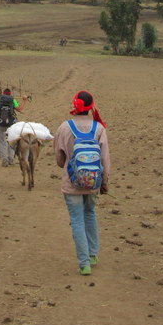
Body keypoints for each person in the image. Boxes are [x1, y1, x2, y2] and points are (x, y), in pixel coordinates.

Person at [54, 90, 111, 275]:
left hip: (71, 184)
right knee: (90, 214)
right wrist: (104, 182)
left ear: (74, 106)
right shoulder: (99, 128)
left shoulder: (64, 127)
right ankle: (93, 254)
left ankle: (84, 263)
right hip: (93, 183)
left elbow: (60, 159)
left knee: (77, 221)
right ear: (90, 107)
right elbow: (105, 160)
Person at [0, 88, 24, 166]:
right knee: (12, 141)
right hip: (11, 124)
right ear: (10, 94)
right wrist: (25, 100)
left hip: (1, 124)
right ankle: (11, 160)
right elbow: (20, 109)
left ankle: (4, 160)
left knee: (2, 142)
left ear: (3, 93)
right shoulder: (12, 100)